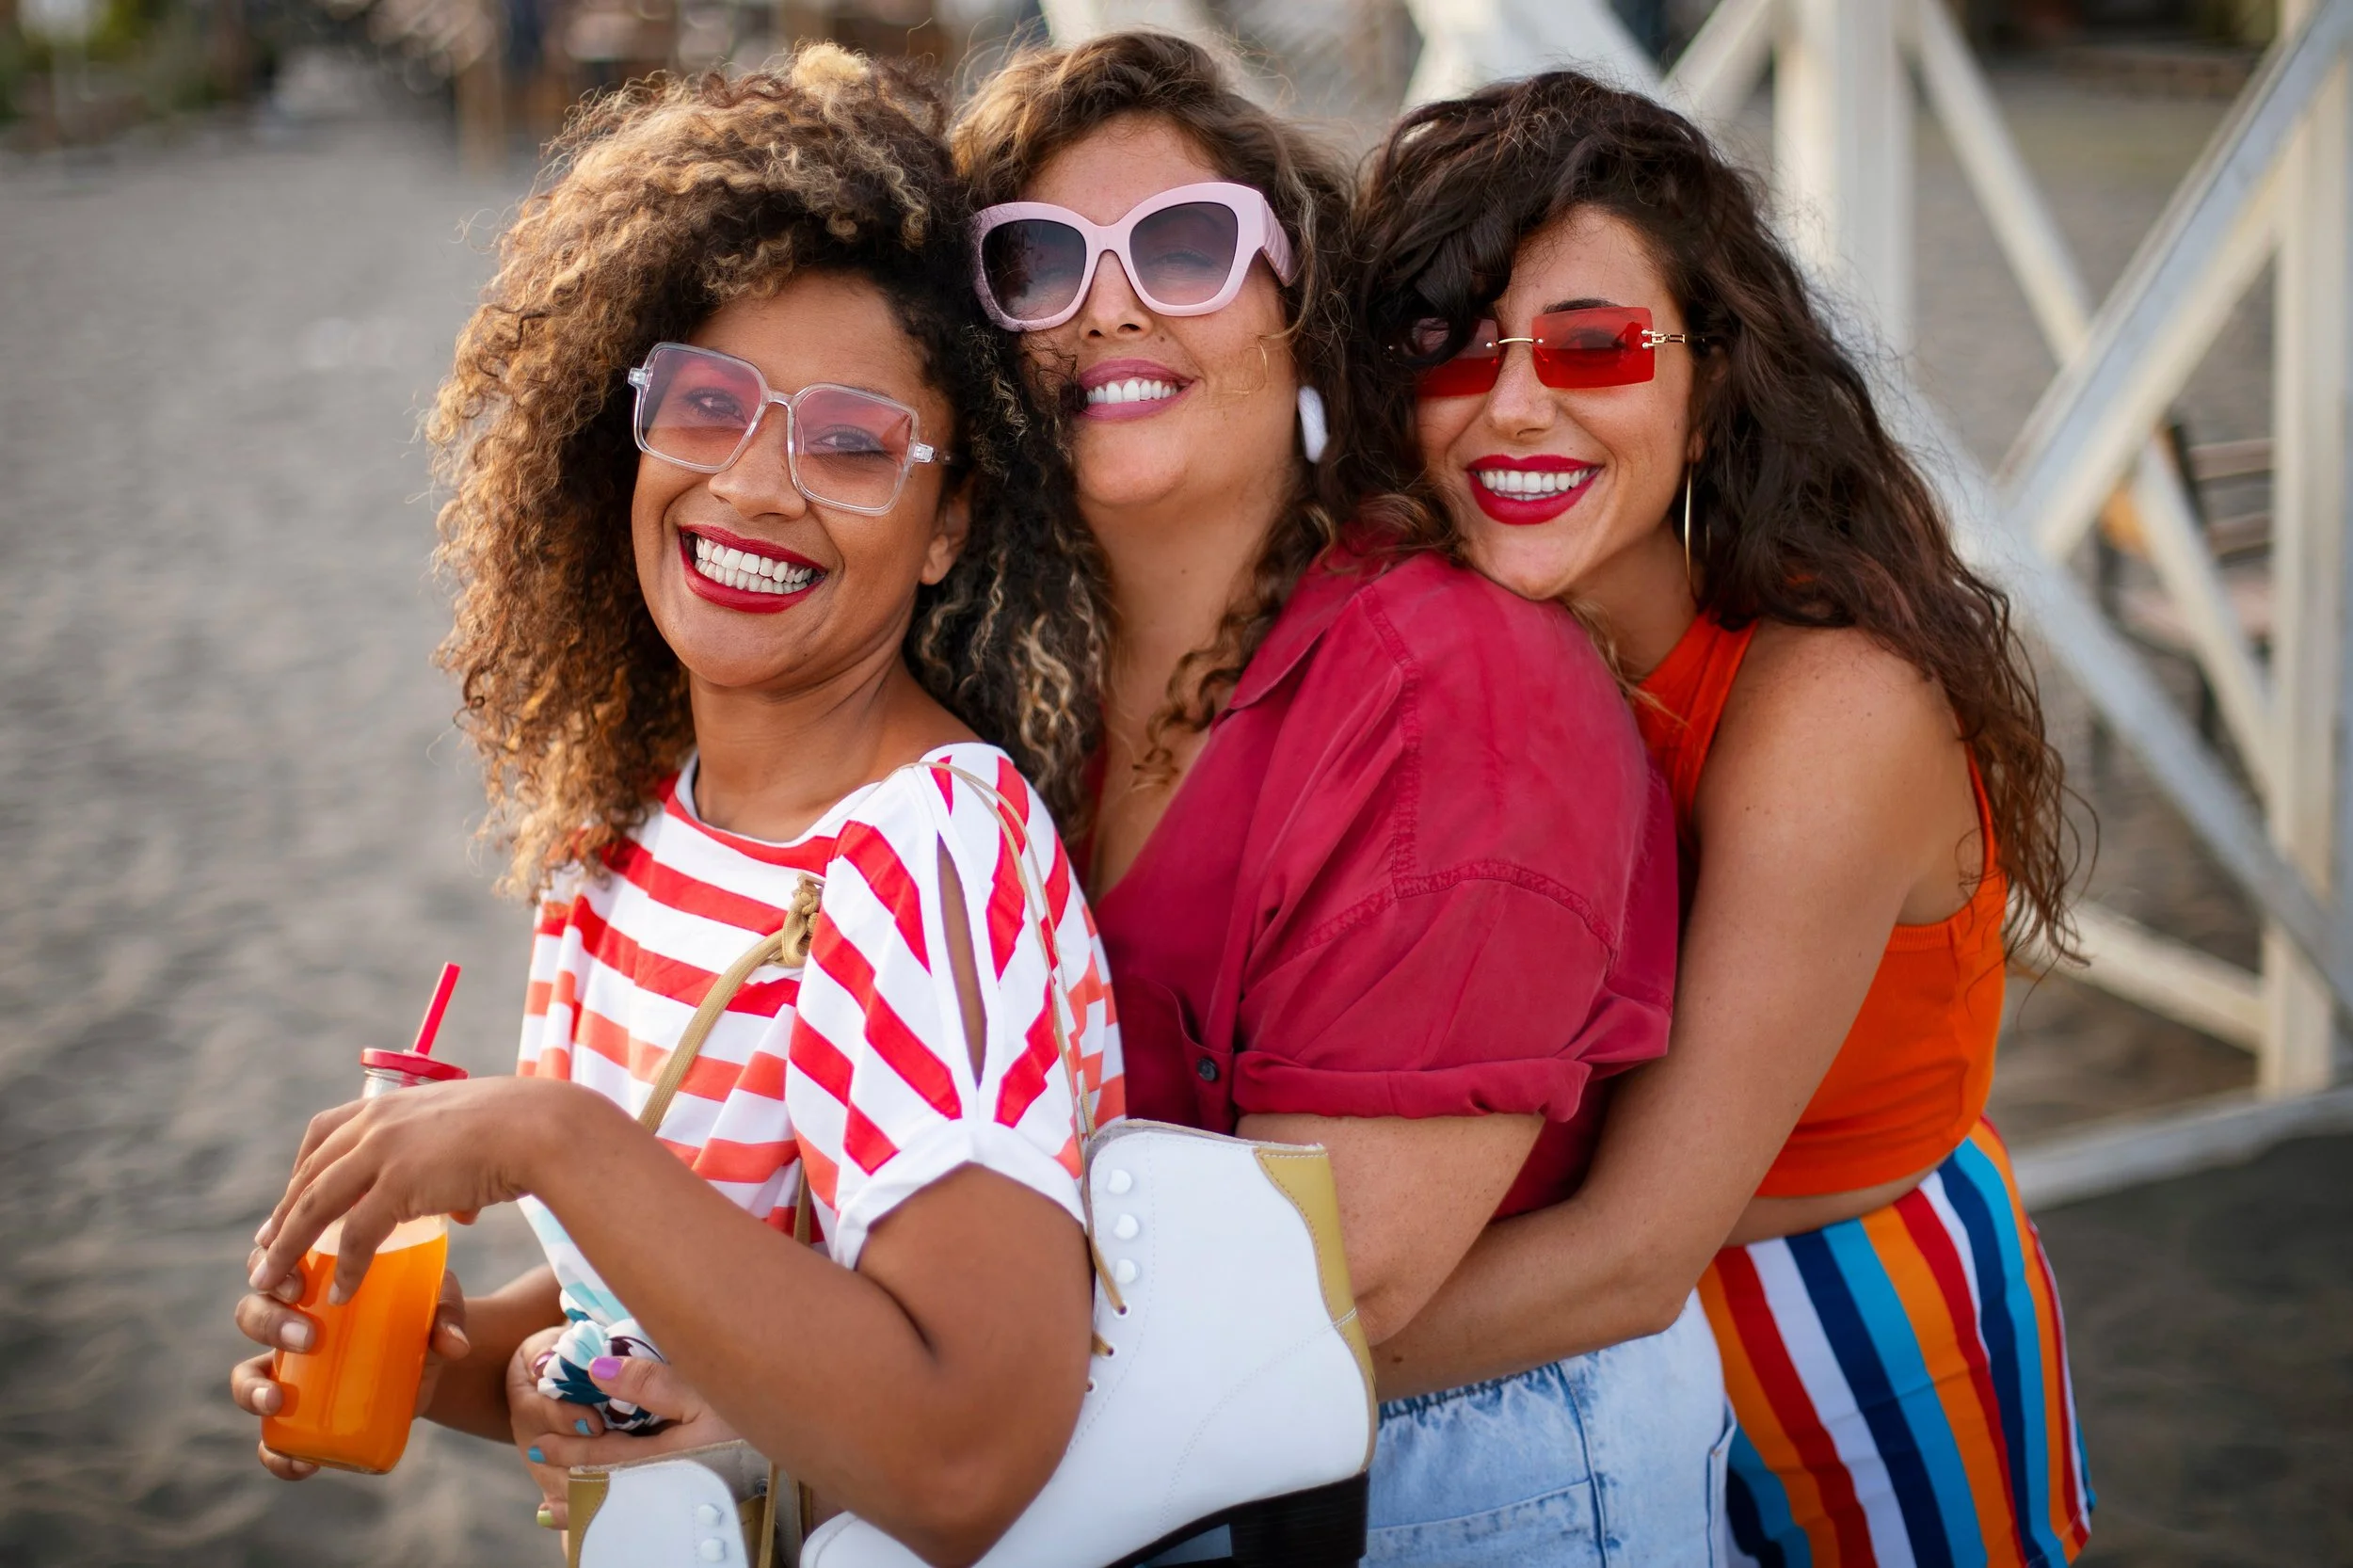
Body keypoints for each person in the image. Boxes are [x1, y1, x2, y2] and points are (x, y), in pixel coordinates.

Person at [227, 53, 1123, 1567]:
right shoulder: (625, 831)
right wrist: (422, 1361)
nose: (756, 485)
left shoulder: (924, 858)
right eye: (706, 404)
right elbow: (661, 1314)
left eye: (848, 442)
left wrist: (553, 1138)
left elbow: (973, 1450)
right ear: (625, 433)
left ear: (949, 522)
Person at [950, 33, 1725, 1564]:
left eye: (1183, 247)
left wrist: (864, 1396)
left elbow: (1319, 1292)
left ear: (1297, 311)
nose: (1108, 301)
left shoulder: (1458, 692)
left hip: (1457, 1485)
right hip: (1129, 1446)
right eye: (1034, 260)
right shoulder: (1018, 677)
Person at [1349, 71, 2094, 1567]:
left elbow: (1636, 1248)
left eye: (1593, 345)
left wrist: (1174, 1405)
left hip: (1842, 1340)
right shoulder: (1463, 658)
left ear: (1709, 394)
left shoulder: (1834, 704)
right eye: (1448, 345)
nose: (1514, 402)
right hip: (1564, 1348)